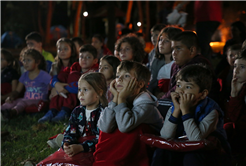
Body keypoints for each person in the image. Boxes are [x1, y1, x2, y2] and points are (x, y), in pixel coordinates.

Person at [151, 64, 231, 166]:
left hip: (207, 150)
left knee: (192, 156)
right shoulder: (175, 106)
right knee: (161, 152)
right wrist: (175, 112)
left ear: (202, 94)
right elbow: (165, 136)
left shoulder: (211, 111)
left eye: (188, 87)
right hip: (182, 146)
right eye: (179, 85)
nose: (181, 91)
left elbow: (196, 140)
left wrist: (185, 111)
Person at [93, 61, 163, 165]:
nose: (119, 79)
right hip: (125, 145)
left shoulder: (146, 105)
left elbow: (125, 126)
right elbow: (104, 127)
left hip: (147, 149)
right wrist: (115, 99)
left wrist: (121, 98)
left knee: (131, 128)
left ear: (140, 84)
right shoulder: (121, 98)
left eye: (126, 76)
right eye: (117, 76)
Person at [37, 73, 108, 165]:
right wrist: (67, 143)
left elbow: (102, 140)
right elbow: (71, 130)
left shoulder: (104, 113)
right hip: (75, 146)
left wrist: (81, 147)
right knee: (55, 160)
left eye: (85, 90)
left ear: (99, 93)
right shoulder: (77, 111)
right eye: (79, 90)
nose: (81, 93)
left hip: (90, 150)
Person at [161, 31, 221, 106]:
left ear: (192, 50)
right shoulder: (176, 65)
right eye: (173, 49)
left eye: (178, 48)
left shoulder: (198, 65)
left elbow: (176, 91)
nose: (174, 53)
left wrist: (161, 101)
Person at [0, 49, 51, 121]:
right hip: (26, 99)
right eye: (24, 60)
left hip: (39, 100)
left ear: (37, 62)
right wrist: (11, 97)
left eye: (29, 60)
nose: (25, 63)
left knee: (22, 102)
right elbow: (17, 91)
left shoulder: (43, 75)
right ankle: (2, 110)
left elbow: (52, 85)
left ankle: (12, 113)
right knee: (13, 102)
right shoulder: (24, 75)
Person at [38, 38, 77, 123]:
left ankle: (65, 111)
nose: (62, 51)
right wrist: (55, 85)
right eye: (59, 49)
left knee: (65, 77)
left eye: (65, 49)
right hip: (57, 93)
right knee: (58, 80)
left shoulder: (76, 65)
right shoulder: (55, 66)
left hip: (70, 92)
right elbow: (51, 80)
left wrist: (58, 89)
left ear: (72, 50)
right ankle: (52, 111)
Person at [148, 26, 182, 96]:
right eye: (160, 40)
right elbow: (152, 83)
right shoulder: (156, 62)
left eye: (166, 41)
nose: (161, 43)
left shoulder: (180, 63)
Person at [224, 49, 246, 154]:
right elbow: (233, 118)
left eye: (242, 67)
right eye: (235, 66)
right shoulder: (241, 86)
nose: (236, 71)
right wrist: (234, 94)